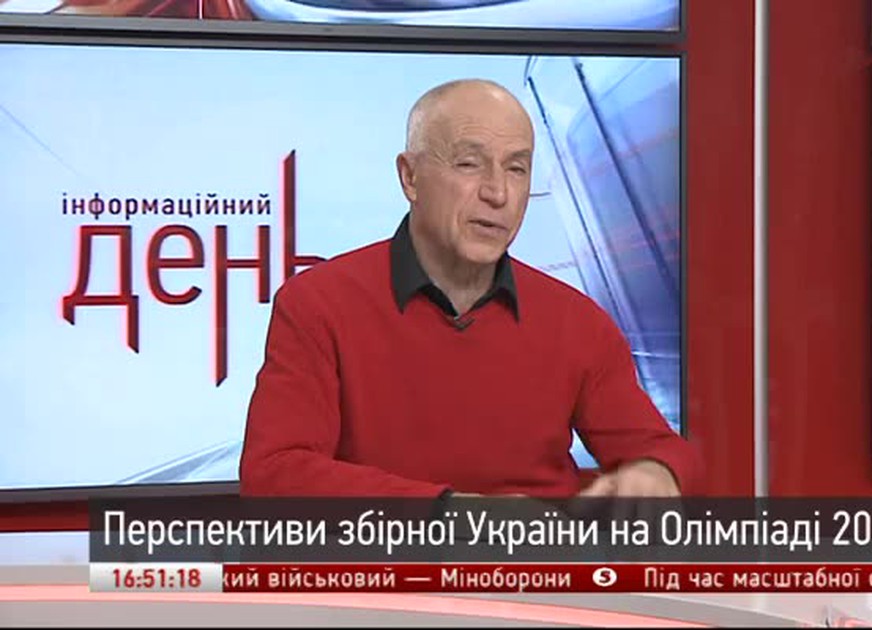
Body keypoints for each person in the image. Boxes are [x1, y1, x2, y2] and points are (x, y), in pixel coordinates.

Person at [239, 78, 700, 499]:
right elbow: (274, 472)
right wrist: (451, 515)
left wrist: (655, 471)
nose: (498, 193)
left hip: (538, 560)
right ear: (410, 177)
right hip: (390, 561)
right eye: (468, 164)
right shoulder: (318, 304)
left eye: (517, 169)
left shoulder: (578, 322)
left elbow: (661, 448)